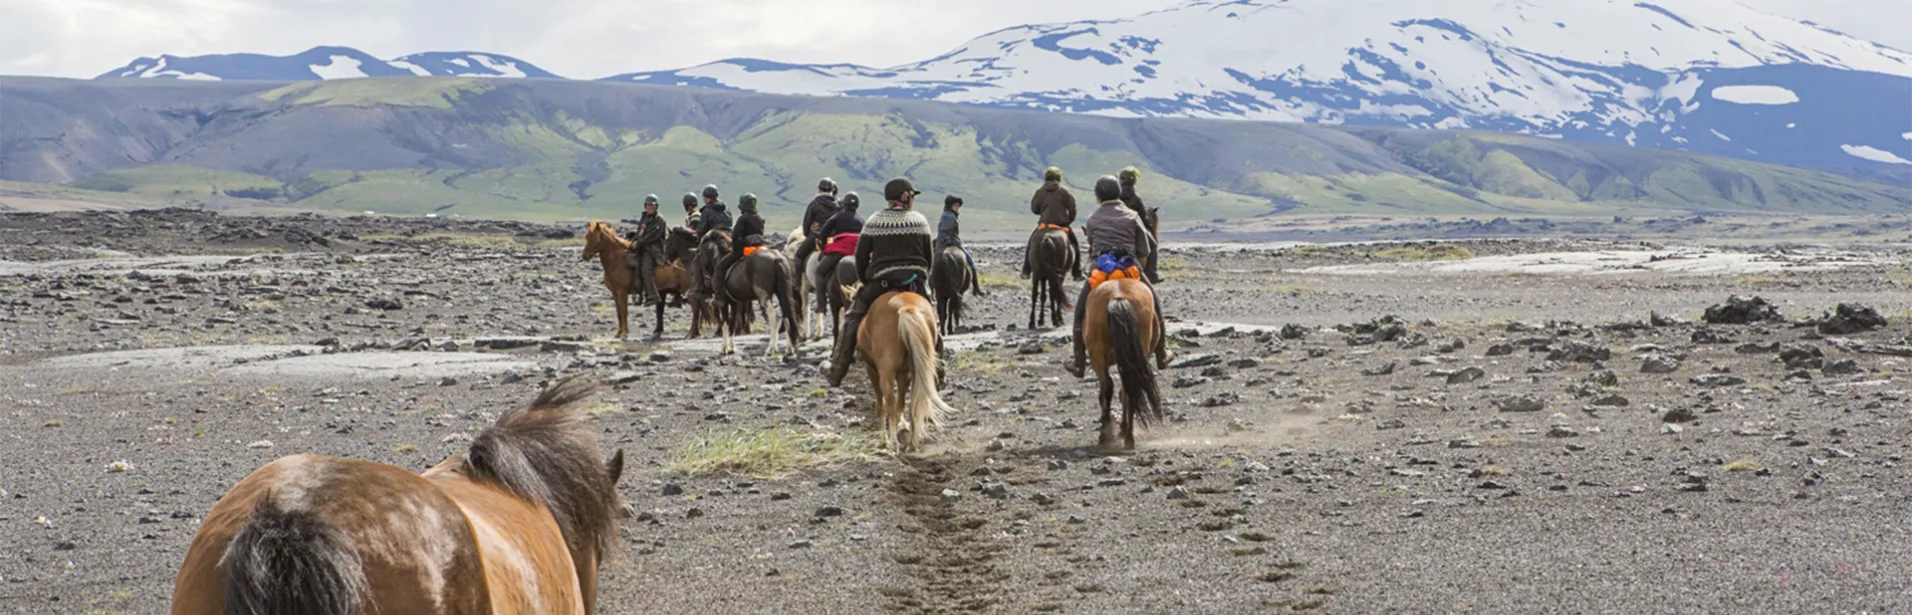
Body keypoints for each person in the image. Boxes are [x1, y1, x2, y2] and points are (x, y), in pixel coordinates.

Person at [826, 178, 936, 387]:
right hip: (914, 283)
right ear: (906, 197)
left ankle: (837, 368)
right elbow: (928, 258)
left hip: (881, 283)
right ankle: (939, 371)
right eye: (912, 196)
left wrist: (865, 280)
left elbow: (860, 257)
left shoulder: (874, 221)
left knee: (852, 318)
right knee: (933, 319)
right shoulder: (920, 221)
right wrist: (921, 277)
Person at [1068, 175, 1166, 378]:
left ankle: (1078, 360)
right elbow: (1145, 247)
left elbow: (1093, 246)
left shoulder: (1093, 218)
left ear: (1098, 196)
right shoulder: (1132, 215)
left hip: (1101, 269)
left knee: (1079, 310)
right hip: (1129, 266)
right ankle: (1162, 353)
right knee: (1154, 303)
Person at [1025, 166, 1084, 281]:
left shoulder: (1039, 191)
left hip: (1044, 225)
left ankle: (1026, 270)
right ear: (1059, 178)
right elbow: (1072, 208)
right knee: (1075, 245)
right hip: (1061, 226)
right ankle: (1076, 273)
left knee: (1031, 244)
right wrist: (1068, 221)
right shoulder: (1064, 192)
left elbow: (1034, 209)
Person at [816, 192, 864, 310]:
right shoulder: (861, 220)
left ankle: (821, 305)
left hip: (840, 250)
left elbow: (824, 232)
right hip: (856, 251)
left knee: (819, 272)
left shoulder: (837, 216)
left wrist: (823, 247)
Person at [1117, 166, 1163, 283]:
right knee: (1153, 246)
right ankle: (1152, 274)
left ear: (1121, 180)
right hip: (1133, 230)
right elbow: (1143, 217)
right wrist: (1149, 225)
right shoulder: (1136, 198)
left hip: (1116, 228)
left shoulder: (1115, 196)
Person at [714, 193, 766, 291]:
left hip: (743, 251)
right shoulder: (760, 218)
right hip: (759, 249)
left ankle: (719, 295)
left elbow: (735, 236)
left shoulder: (743, 218)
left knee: (720, 267)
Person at [624, 194, 669, 306]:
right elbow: (640, 232)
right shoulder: (644, 217)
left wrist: (638, 243)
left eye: (652, 206)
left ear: (656, 206)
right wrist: (631, 242)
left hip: (653, 248)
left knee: (645, 269)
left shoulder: (659, 219)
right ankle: (638, 292)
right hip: (642, 246)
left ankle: (653, 294)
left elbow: (652, 236)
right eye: (648, 205)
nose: (650, 207)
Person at [935, 195, 984, 296]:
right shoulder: (949, 216)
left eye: (958, 205)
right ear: (950, 206)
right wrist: (948, 241)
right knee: (971, 263)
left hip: (940, 243)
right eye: (955, 205)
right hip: (952, 243)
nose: (957, 207)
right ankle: (976, 288)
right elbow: (946, 230)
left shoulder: (946, 215)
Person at [795, 178, 839, 276]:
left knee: (799, 255)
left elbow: (807, 223)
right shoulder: (838, 204)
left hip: (816, 238)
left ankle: (797, 282)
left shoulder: (814, 204)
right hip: (834, 239)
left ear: (819, 189)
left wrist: (807, 235)